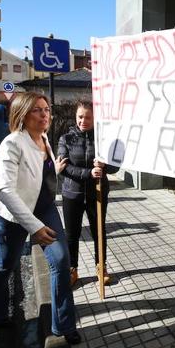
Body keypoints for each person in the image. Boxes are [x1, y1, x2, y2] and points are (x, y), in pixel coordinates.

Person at [0, 92, 80, 344]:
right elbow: (4, 189)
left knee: (60, 261)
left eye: (46, 109)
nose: (45, 114)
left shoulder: (44, 137)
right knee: (5, 265)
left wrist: (54, 169)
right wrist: (34, 227)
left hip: (45, 208)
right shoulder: (12, 143)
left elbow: (38, 172)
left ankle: (63, 325)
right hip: (14, 216)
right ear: (22, 115)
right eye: (37, 110)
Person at [58, 100, 118, 286]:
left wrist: (104, 165)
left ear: (95, 118)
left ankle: (101, 267)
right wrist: (88, 173)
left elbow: (115, 167)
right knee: (72, 234)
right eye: (80, 116)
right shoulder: (66, 139)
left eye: (88, 117)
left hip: (97, 194)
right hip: (71, 194)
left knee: (98, 232)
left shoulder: (103, 139)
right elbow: (64, 168)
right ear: (76, 117)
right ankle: (72, 268)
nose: (84, 120)